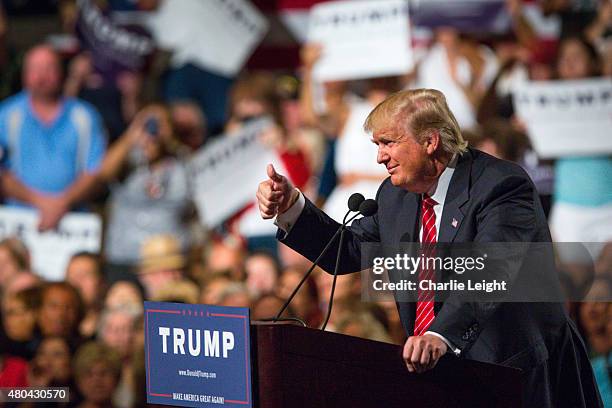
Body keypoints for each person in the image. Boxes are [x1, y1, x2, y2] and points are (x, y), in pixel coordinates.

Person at [256, 88, 602, 407]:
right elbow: (344, 250)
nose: (380, 157)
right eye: (378, 145)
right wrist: (292, 208)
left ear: (430, 141)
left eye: (388, 142)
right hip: (438, 373)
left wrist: (440, 334)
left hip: (511, 370)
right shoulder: (394, 196)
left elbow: (491, 269)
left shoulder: (500, 185)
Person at [0, 45, 106, 231]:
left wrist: (62, 204)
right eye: (35, 70)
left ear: (61, 73)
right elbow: (2, 173)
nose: (41, 77)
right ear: (24, 75)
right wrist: (41, 202)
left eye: (48, 69)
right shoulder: (6, 115)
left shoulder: (84, 116)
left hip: (73, 223)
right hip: (18, 223)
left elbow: (96, 172)